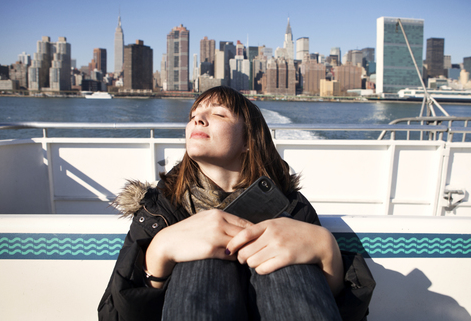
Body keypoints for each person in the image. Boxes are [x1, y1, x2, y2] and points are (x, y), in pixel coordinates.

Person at [98, 86, 375, 321]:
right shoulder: (158, 209)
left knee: (286, 260)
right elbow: (113, 315)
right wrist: (160, 252)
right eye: (194, 116)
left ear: (248, 141)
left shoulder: (291, 207)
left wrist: (328, 253)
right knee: (201, 264)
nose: (198, 120)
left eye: (217, 114)